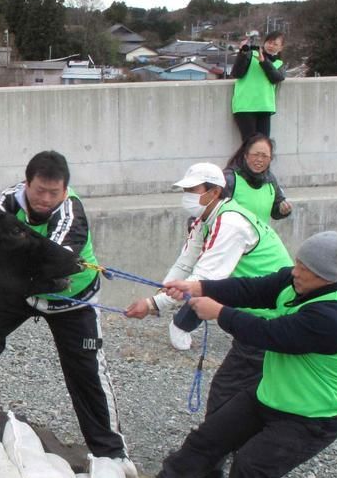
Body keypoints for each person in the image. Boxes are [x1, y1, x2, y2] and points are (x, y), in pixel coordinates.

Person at [129, 231, 337, 478]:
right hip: (274, 393)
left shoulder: (333, 318)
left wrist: (219, 313)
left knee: (253, 466)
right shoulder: (295, 282)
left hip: (315, 415)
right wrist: (197, 287)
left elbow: (269, 334)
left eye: (303, 269)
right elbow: (251, 288)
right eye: (297, 263)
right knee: (210, 436)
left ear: (323, 278)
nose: (294, 271)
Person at [0, 151, 128, 459]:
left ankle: (111, 452)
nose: (46, 199)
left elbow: (54, 259)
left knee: (86, 371)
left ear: (65, 190)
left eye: (54, 193)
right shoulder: (12, 198)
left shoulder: (71, 213)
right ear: (27, 184)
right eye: (39, 191)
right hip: (25, 289)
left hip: (71, 299)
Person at [124, 162, 292, 449]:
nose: (188, 195)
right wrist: (155, 300)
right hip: (259, 309)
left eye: (193, 189)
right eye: (186, 189)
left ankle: (213, 454)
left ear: (214, 191)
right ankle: (255, 439)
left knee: (229, 387)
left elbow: (205, 279)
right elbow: (185, 263)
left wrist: (154, 303)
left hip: (270, 313)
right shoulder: (207, 220)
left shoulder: (230, 224)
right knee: (257, 383)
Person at [223, 133, 291, 227]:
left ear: (270, 159)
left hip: (261, 239)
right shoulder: (230, 179)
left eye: (264, 156)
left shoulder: (270, 179)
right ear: (245, 155)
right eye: (255, 155)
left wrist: (282, 210)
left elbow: (275, 210)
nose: (259, 159)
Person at [230, 30, 285, 141]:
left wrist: (264, 62)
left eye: (275, 44)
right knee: (249, 144)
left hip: (264, 107)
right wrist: (242, 54)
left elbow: (276, 78)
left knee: (263, 143)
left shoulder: (279, 64)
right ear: (264, 43)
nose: (271, 46)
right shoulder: (251, 55)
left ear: (281, 48)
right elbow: (236, 73)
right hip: (244, 106)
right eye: (269, 42)